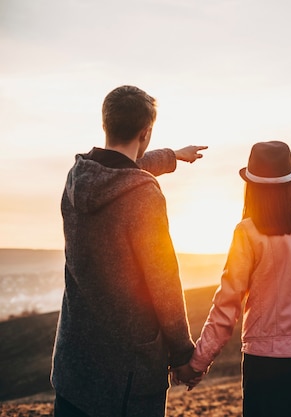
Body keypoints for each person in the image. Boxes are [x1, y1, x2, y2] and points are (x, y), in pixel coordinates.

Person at [51, 85, 206, 417]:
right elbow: (163, 281)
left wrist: (173, 156)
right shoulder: (144, 195)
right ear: (146, 132)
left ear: (106, 124)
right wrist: (182, 355)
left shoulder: (77, 177)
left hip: (73, 369)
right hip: (127, 378)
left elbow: (123, 169)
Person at [176, 140, 291, 417]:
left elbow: (227, 307)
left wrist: (197, 364)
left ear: (252, 186)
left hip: (265, 367)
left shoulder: (247, 233)